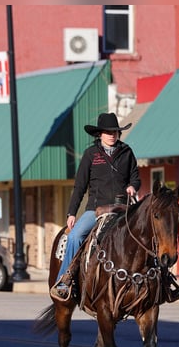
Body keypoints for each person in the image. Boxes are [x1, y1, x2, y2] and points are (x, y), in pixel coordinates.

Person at [51, 112, 140, 300]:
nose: (112, 135)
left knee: (145, 232)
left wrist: (133, 186)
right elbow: (80, 186)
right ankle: (64, 280)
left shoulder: (126, 152)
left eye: (115, 131)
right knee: (75, 236)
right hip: (96, 208)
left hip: (122, 208)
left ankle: (159, 279)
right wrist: (71, 212)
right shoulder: (91, 154)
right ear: (99, 134)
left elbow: (135, 177)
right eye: (108, 132)